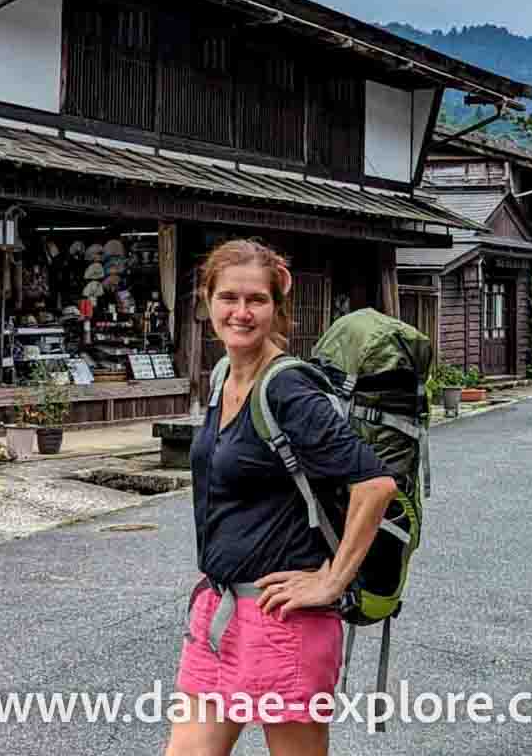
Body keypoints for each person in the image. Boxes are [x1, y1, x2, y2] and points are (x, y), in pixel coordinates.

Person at [165, 240, 398, 756]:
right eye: (228, 298)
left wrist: (332, 578)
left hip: (282, 622)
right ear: (206, 302)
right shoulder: (224, 375)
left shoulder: (288, 390)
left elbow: (376, 484)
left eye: (256, 300)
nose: (241, 313)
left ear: (276, 307)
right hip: (219, 611)